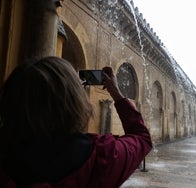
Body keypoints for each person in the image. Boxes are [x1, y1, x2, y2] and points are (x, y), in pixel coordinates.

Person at [0, 56, 152, 188]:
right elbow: (141, 138)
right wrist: (116, 92)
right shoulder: (100, 156)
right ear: (73, 102)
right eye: (80, 87)